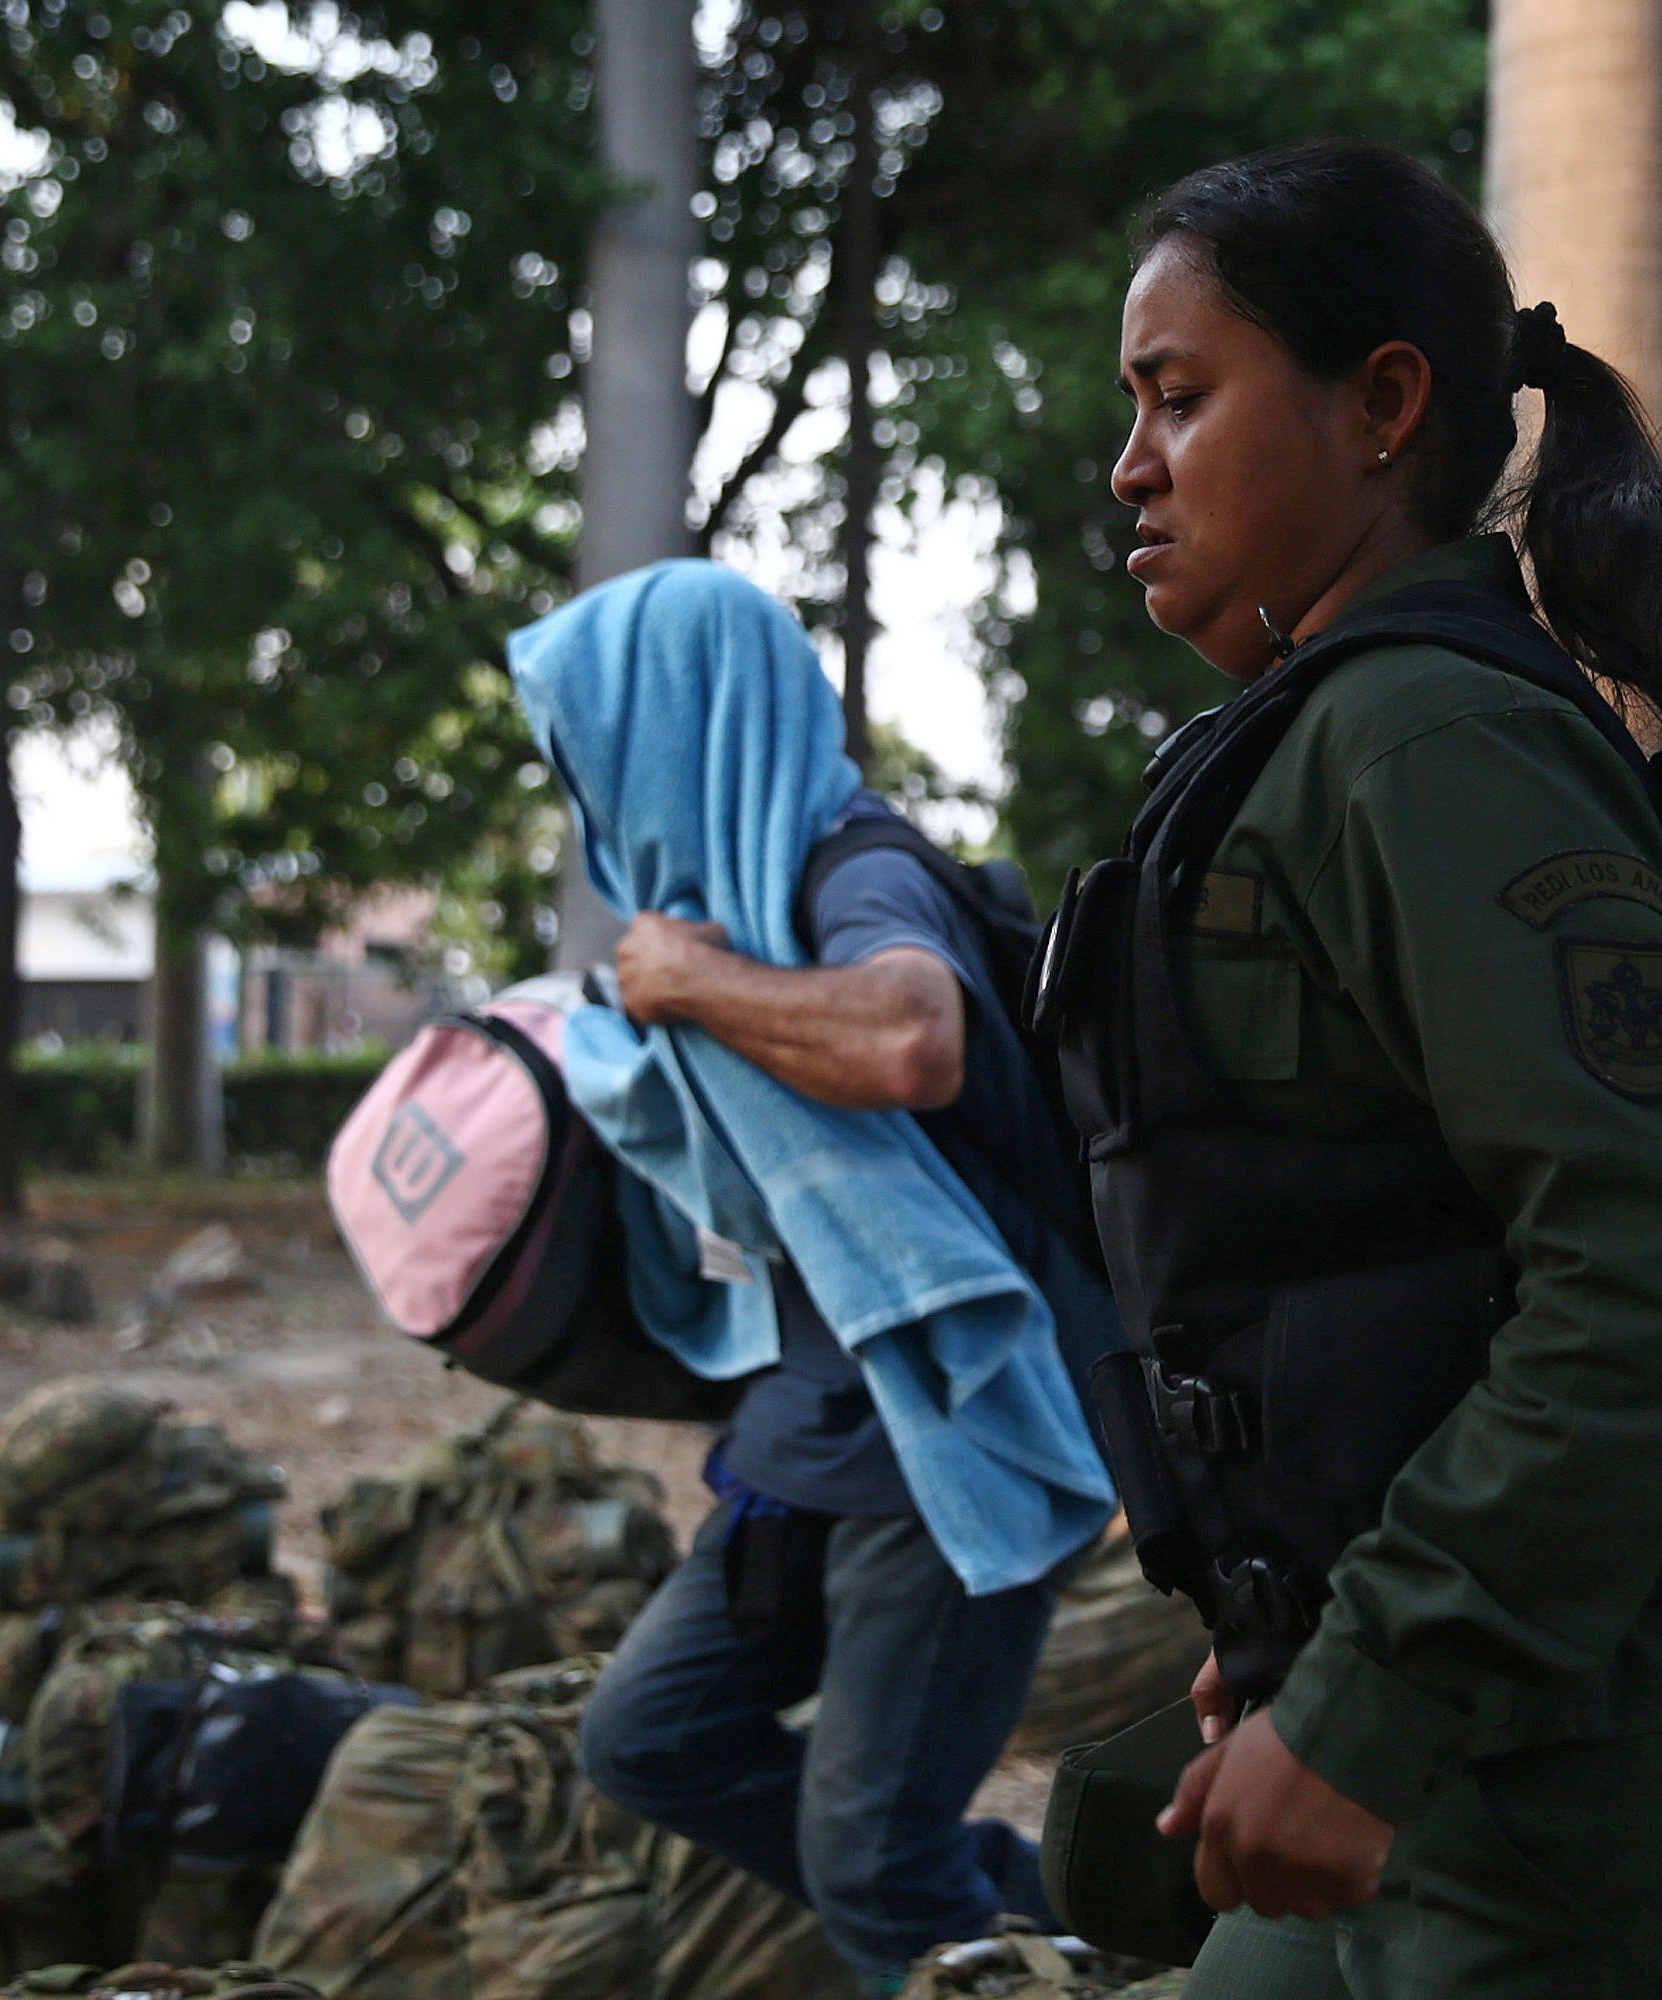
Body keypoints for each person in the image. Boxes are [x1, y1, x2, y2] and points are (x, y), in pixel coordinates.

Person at [1036, 141, 1662, 1999]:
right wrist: (1297, 1607)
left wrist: (1379, 1686)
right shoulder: (1331, 735)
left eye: (1180, 397)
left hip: (1617, 1785)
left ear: (1383, 404)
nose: (1132, 465)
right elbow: (1379, 1245)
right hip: (1447, 1728)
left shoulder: (1432, 740)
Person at [511, 562, 1122, 1996]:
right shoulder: (737, 900)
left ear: (676, 724)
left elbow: (915, 1041)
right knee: (646, 1739)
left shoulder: (859, 872)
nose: (582, 787)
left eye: (590, 745)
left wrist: (685, 988)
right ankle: (1094, 1918)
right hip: (822, 1431)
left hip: (960, 1417)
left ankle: (1064, 1933)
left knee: (870, 1858)